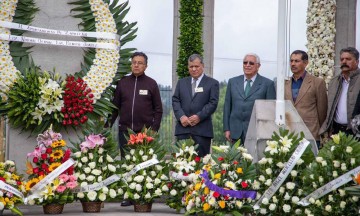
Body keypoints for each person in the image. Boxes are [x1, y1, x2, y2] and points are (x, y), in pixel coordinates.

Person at [111, 52, 163, 206]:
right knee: (127, 163)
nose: (136, 65)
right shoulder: (122, 83)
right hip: (125, 132)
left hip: (144, 133)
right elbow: (115, 107)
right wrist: (108, 125)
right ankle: (128, 195)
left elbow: (158, 109)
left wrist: (153, 129)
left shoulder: (151, 84)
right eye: (134, 62)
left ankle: (144, 195)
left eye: (140, 63)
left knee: (143, 164)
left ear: (146, 66)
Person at [172, 54, 219, 157]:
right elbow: (175, 100)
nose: (193, 69)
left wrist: (199, 116)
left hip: (202, 131)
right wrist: (181, 116)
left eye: (196, 66)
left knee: (201, 165)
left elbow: (213, 103)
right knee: (181, 165)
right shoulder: (181, 83)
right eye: (191, 66)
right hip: (183, 130)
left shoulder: (212, 83)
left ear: (202, 66)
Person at [223, 53, 276, 145]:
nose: (247, 65)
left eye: (251, 63)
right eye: (245, 62)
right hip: (235, 132)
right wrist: (226, 129)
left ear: (258, 66)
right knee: (235, 159)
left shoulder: (268, 84)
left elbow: (270, 111)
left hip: (257, 133)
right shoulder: (233, 82)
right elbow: (227, 107)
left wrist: (267, 132)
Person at [285, 50, 328, 147]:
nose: (293, 64)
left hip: (310, 132)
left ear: (306, 63)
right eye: (291, 61)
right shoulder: (285, 84)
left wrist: (319, 130)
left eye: (296, 61)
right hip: (289, 133)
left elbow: (322, 110)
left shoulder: (317, 82)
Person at [320, 47, 360, 137]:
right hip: (337, 131)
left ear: (357, 62)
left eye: (348, 59)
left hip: (356, 131)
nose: (344, 62)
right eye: (342, 59)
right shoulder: (334, 81)